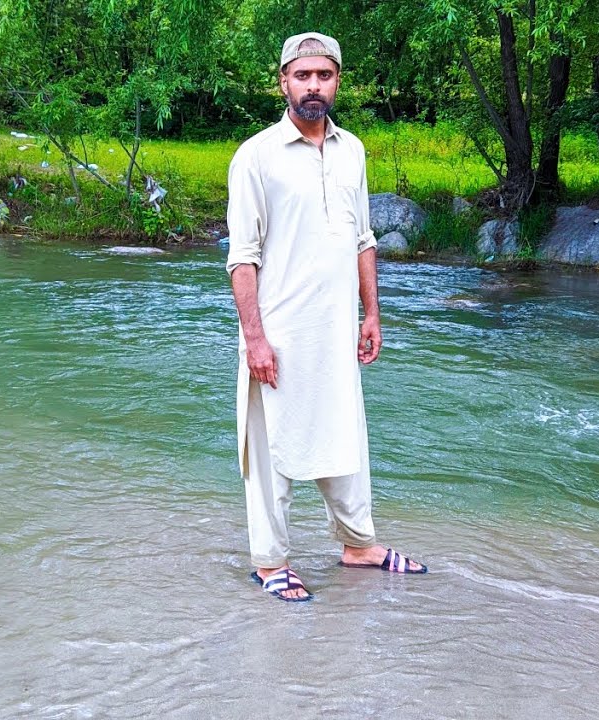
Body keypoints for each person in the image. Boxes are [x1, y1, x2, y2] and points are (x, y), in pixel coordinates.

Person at [226, 31, 427, 603]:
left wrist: (372, 314)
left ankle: (358, 545)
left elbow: (363, 238)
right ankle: (270, 562)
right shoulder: (255, 156)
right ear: (283, 82)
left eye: (324, 75)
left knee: (345, 437)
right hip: (280, 333)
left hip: (336, 329)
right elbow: (242, 257)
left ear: (338, 81)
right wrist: (255, 338)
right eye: (302, 76)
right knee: (272, 451)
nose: (313, 86)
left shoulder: (352, 150)